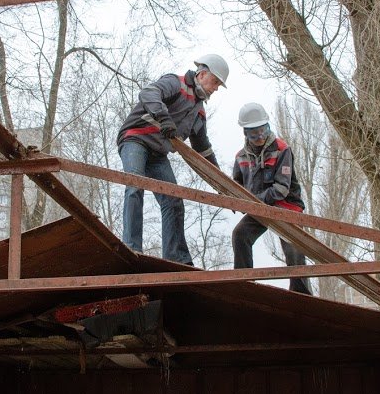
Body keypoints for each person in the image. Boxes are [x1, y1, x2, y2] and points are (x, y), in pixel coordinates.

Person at [116, 54, 229, 265]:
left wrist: (222, 183)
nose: (215, 89)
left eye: (219, 86)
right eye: (215, 82)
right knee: (135, 185)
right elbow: (149, 92)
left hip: (157, 154)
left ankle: (176, 258)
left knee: (174, 201)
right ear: (202, 74)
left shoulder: (199, 113)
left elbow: (202, 151)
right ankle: (132, 249)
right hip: (136, 139)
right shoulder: (175, 83)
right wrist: (164, 116)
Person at [231, 102, 312, 295]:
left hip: (285, 207)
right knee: (240, 235)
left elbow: (281, 189)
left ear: (267, 126)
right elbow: (236, 184)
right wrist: (232, 198)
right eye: (254, 134)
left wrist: (253, 202)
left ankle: (301, 294)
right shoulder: (240, 157)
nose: (259, 137)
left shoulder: (282, 149)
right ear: (246, 133)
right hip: (258, 208)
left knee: (293, 250)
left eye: (263, 131)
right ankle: (244, 284)